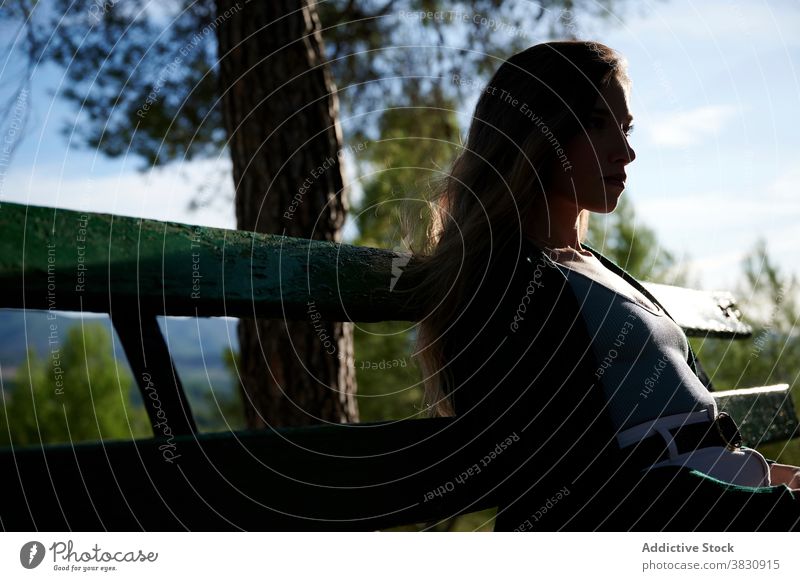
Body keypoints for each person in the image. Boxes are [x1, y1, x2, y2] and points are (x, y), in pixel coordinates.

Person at [400, 40, 800, 531]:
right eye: (595, 123)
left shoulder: (595, 269)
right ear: (535, 132)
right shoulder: (504, 282)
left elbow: (699, 435)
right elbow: (572, 482)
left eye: (626, 128)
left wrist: (773, 480)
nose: (626, 152)